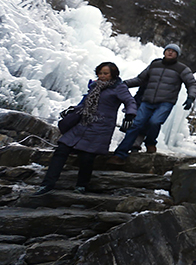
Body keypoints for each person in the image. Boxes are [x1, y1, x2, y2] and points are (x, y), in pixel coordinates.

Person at [33, 62, 136, 195]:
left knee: (87, 158)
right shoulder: (94, 86)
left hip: (100, 128)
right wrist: (72, 110)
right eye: (100, 73)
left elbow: (130, 101)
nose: (102, 76)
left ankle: (81, 185)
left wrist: (129, 115)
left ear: (113, 75)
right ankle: (47, 184)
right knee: (61, 150)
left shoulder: (119, 88)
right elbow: (85, 104)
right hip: (82, 125)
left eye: (106, 73)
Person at [109, 43, 196, 161]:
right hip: (147, 101)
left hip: (166, 102)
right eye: (168, 50)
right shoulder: (154, 65)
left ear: (177, 55)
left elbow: (191, 83)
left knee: (155, 122)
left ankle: (150, 142)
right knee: (136, 125)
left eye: (173, 51)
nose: (170, 52)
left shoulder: (182, 69)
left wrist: (190, 97)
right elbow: (140, 79)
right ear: (164, 52)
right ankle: (120, 154)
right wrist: (124, 84)